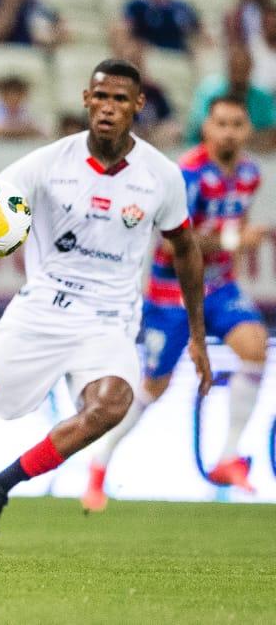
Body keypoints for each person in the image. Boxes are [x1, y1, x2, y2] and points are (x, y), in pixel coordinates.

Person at [0, 59, 211, 547]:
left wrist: (197, 336)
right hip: (42, 311)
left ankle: (0, 484)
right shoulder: (50, 162)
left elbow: (186, 250)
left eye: (120, 99)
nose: (109, 108)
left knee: (112, 404)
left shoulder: (162, 176)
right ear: (86, 100)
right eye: (101, 97)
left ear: (138, 105)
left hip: (110, 319)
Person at [83, 96, 268, 508]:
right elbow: (172, 244)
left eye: (237, 124)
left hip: (218, 287)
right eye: (221, 123)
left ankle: (227, 457)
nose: (229, 131)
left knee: (255, 346)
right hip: (172, 294)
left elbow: (233, 226)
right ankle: (100, 461)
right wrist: (235, 240)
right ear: (207, 128)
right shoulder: (187, 175)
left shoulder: (251, 174)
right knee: (154, 386)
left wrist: (232, 258)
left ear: (247, 131)